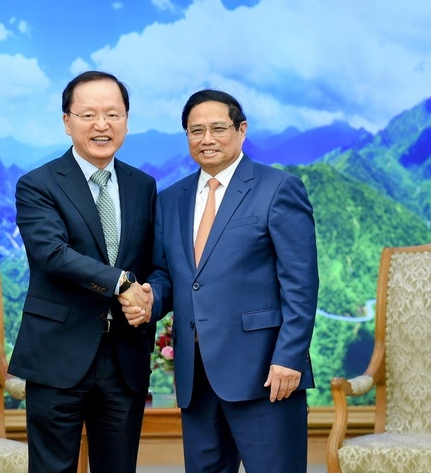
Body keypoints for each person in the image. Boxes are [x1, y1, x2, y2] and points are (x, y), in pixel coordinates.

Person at [122, 89, 319, 473]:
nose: (206, 139)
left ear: (241, 130)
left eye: (217, 128)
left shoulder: (278, 188)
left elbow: (300, 283)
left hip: (266, 374)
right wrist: (150, 299)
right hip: (196, 377)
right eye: (196, 131)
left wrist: (289, 358)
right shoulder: (170, 199)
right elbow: (169, 274)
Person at [8, 70, 156, 473]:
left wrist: (150, 300)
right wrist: (121, 284)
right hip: (58, 354)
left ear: (127, 119)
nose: (102, 125)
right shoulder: (37, 184)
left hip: (124, 358)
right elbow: (52, 254)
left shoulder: (143, 185)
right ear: (66, 121)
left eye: (113, 113)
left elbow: (157, 263)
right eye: (88, 114)